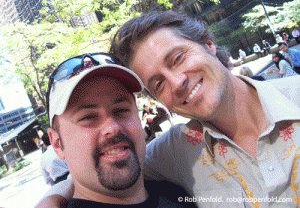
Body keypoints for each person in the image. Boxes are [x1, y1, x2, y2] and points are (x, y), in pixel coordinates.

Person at [110, 11, 300, 207]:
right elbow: (100, 176)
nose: (176, 83)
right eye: (159, 84)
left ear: (208, 45)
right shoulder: (176, 150)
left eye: (178, 58)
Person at [36, 52, 194, 208]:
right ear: (57, 143)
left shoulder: (179, 189)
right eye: (88, 117)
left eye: (121, 110)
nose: (113, 127)